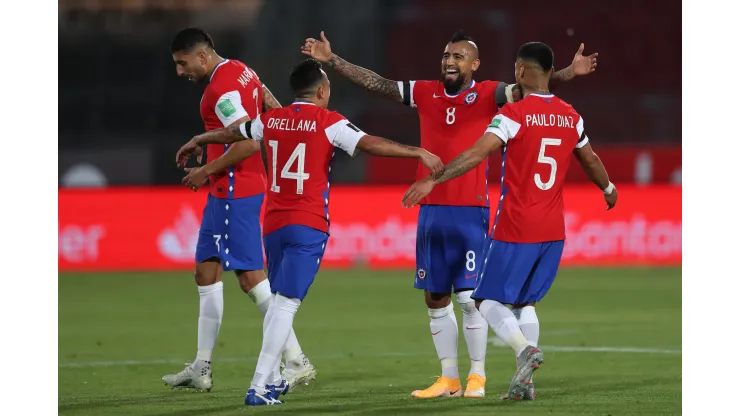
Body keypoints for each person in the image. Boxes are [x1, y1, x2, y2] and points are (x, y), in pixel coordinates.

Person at [302, 30, 597, 398]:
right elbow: (379, 84)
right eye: (446, 55)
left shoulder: (491, 93)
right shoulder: (425, 91)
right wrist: (333, 60)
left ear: (474, 64)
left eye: (458, 56)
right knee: (435, 297)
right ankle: (449, 379)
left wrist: (567, 72)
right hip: (431, 210)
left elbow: (533, 85)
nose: (449, 61)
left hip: (471, 208)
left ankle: (478, 376)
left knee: (470, 296)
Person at [177, 58, 444, 405]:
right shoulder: (329, 122)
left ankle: (271, 378)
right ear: (321, 91)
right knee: (285, 303)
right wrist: (417, 151)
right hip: (308, 224)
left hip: (273, 223)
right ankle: (259, 386)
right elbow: (370, 143)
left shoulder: (270, 120)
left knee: (277, 304)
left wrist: (201, 137)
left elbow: (235, 133)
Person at [402, 41, 618, 401]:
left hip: (516, 227)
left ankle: (523, 351)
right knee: (525, 304)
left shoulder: (513, 115)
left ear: (520, 71)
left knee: (485, 300)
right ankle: (524, 383)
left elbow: (475, 153)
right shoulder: (571, 115)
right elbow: (591, 159)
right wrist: (609, 188)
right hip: (554, 232)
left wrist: (433, 178)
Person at [163, 27, 315, 392]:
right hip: (223, 191)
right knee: (206, 272)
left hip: (236, 190)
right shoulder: (241, 69)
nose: (180, 72)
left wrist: (205, 169)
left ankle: (297, 359)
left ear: (202, 56)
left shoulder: (220, 89)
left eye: (183, 64)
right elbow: (265, 102)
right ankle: (202, 367)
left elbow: (247, 142)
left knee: (250, 278)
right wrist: (286, 124)